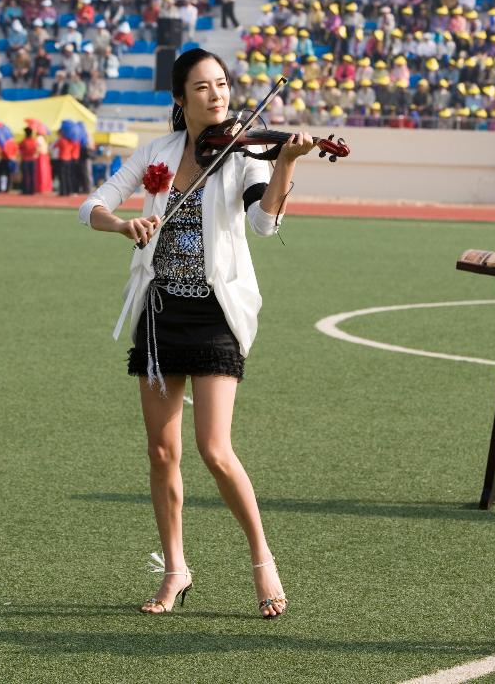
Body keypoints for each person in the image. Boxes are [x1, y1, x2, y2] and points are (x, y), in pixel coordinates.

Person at [79, 47, 318, 619]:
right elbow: (92, 204)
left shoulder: (244, 156)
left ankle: (262, 559)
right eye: (204, 87)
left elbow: (264, 223)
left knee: (214, 448)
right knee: (163, 452)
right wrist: (121, 223)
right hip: (159, 314)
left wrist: (285, 162)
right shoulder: (156, 153)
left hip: (215, 314)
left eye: (223, 84)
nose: (218, 95)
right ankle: (175, 567)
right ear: (180, 98)